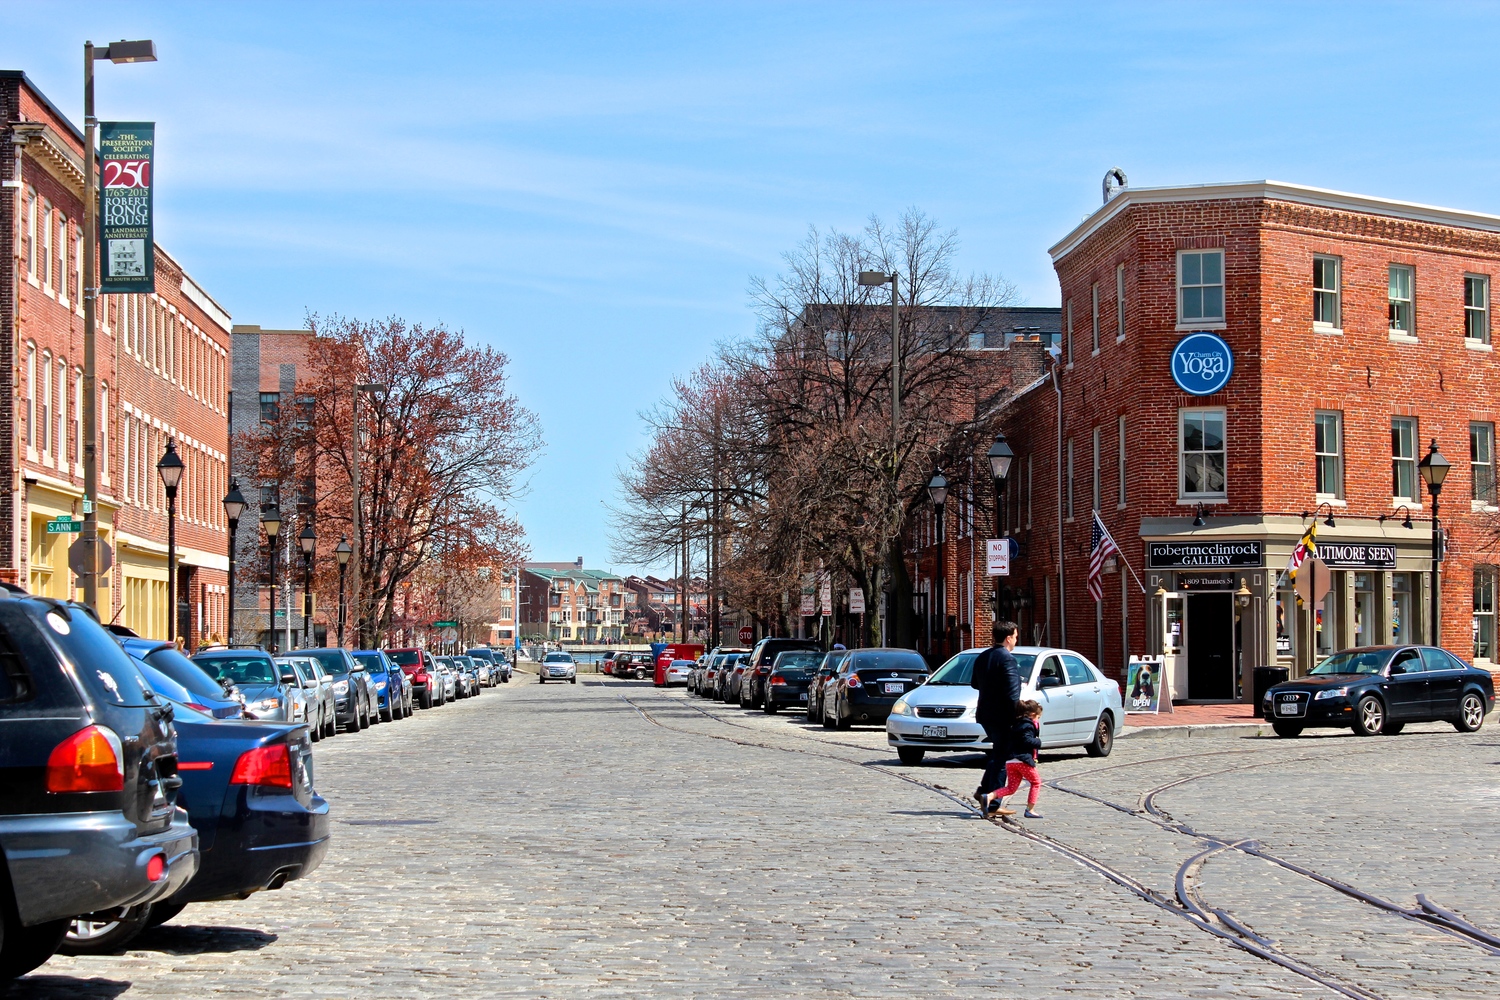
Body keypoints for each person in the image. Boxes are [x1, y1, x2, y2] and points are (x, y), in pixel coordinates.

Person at [971, 620, 1022, 815]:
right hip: (1003, 715)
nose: (1016, 640)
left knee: (998, 753)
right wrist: (1018, 716)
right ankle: (993, 803)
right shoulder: (1007, 658)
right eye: (1015, 637)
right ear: (1008, 637)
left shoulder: (983, 656)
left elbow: (974, 683)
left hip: (985, 713)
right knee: (1002, 758)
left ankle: (984, 792)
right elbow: (1012, 693)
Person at [991, 700, 1045, 819]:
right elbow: (1027, 740)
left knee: (1011, 788)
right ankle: (1030, 810)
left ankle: (989, 797)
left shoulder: (1016, 723)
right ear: (1032, 715)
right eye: (1038, 717)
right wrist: (1038, 741)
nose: (1038, 720)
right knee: (1036, 782)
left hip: (1011, 761)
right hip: (1022, 760)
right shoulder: (1028, 725)